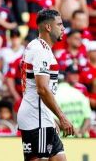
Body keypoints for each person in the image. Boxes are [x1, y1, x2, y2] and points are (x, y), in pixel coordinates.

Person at [17, 9, 74, 161]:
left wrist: (50, 116)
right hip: (36, 118)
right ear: (48, 27)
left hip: (42, 116)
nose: (63, 28)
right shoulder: (40, 50)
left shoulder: (37, 46)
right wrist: (61, 117)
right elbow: (42, 89)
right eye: (60, 24)